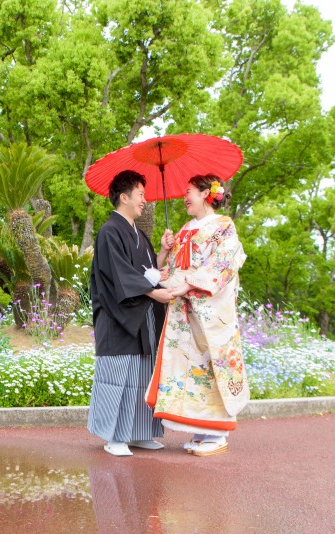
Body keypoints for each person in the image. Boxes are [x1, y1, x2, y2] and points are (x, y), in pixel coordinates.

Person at [145, 174, 249, 457]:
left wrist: (190, 284)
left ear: (206, 193)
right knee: (189, 368)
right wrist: (166, 250)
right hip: (184, 311)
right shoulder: (184, 229)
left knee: (211, 364)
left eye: (189, 191)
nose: (185, 197)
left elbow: (226, 262)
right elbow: (173, 270)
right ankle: (201, 430)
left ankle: (219, 433)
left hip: (209, 309)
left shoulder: (223, 225)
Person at [88, 170, 175, 457]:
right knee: (117, 378)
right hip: (117, 317)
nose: (144, 200)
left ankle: (139, 433)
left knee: (141, 375)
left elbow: (148, 270)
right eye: (140, 194)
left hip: (141, 317)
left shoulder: (138, 234)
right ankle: (114, 436)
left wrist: (162, 252)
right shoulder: (109, 231)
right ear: (124, 197)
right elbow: (120, 275)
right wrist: (153, 292)